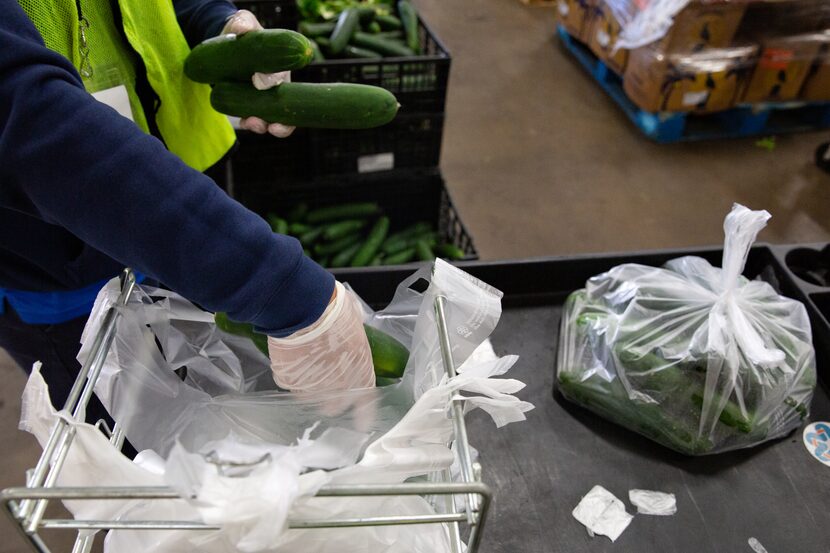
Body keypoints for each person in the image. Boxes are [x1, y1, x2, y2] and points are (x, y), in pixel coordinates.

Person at [0, 0, 374, 425]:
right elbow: (25, 116)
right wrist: (277, 284)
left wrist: (214, 20)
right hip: (54, 267)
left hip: (168, 204)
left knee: (198, 402)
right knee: (128, 448)